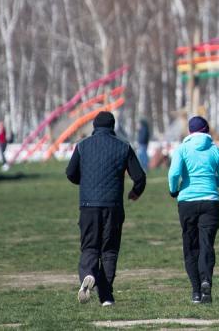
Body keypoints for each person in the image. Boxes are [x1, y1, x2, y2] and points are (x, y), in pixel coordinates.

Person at [66, 111, 146, 305]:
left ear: (94, 126)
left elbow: (70, 173)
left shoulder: (82, 146)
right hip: (113, 207)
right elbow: (140, 177)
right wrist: (135, 192)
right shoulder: (123, 147)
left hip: (88, 206)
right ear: (112, 126)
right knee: (109, 251)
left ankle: (87, 274)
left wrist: (84, 182)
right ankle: (106, 296)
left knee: (90, 247)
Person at [168, 116, 219, 304]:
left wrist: (174, 189)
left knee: (190, 246)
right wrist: (212, 182)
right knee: (206, 245)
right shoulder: (215, 150)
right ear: (207, 131)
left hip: (187, 201)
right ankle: (206, 282)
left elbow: (174, 173)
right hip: (210, 202)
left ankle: (196, 291)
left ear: (190, 131)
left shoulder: (182, 149)